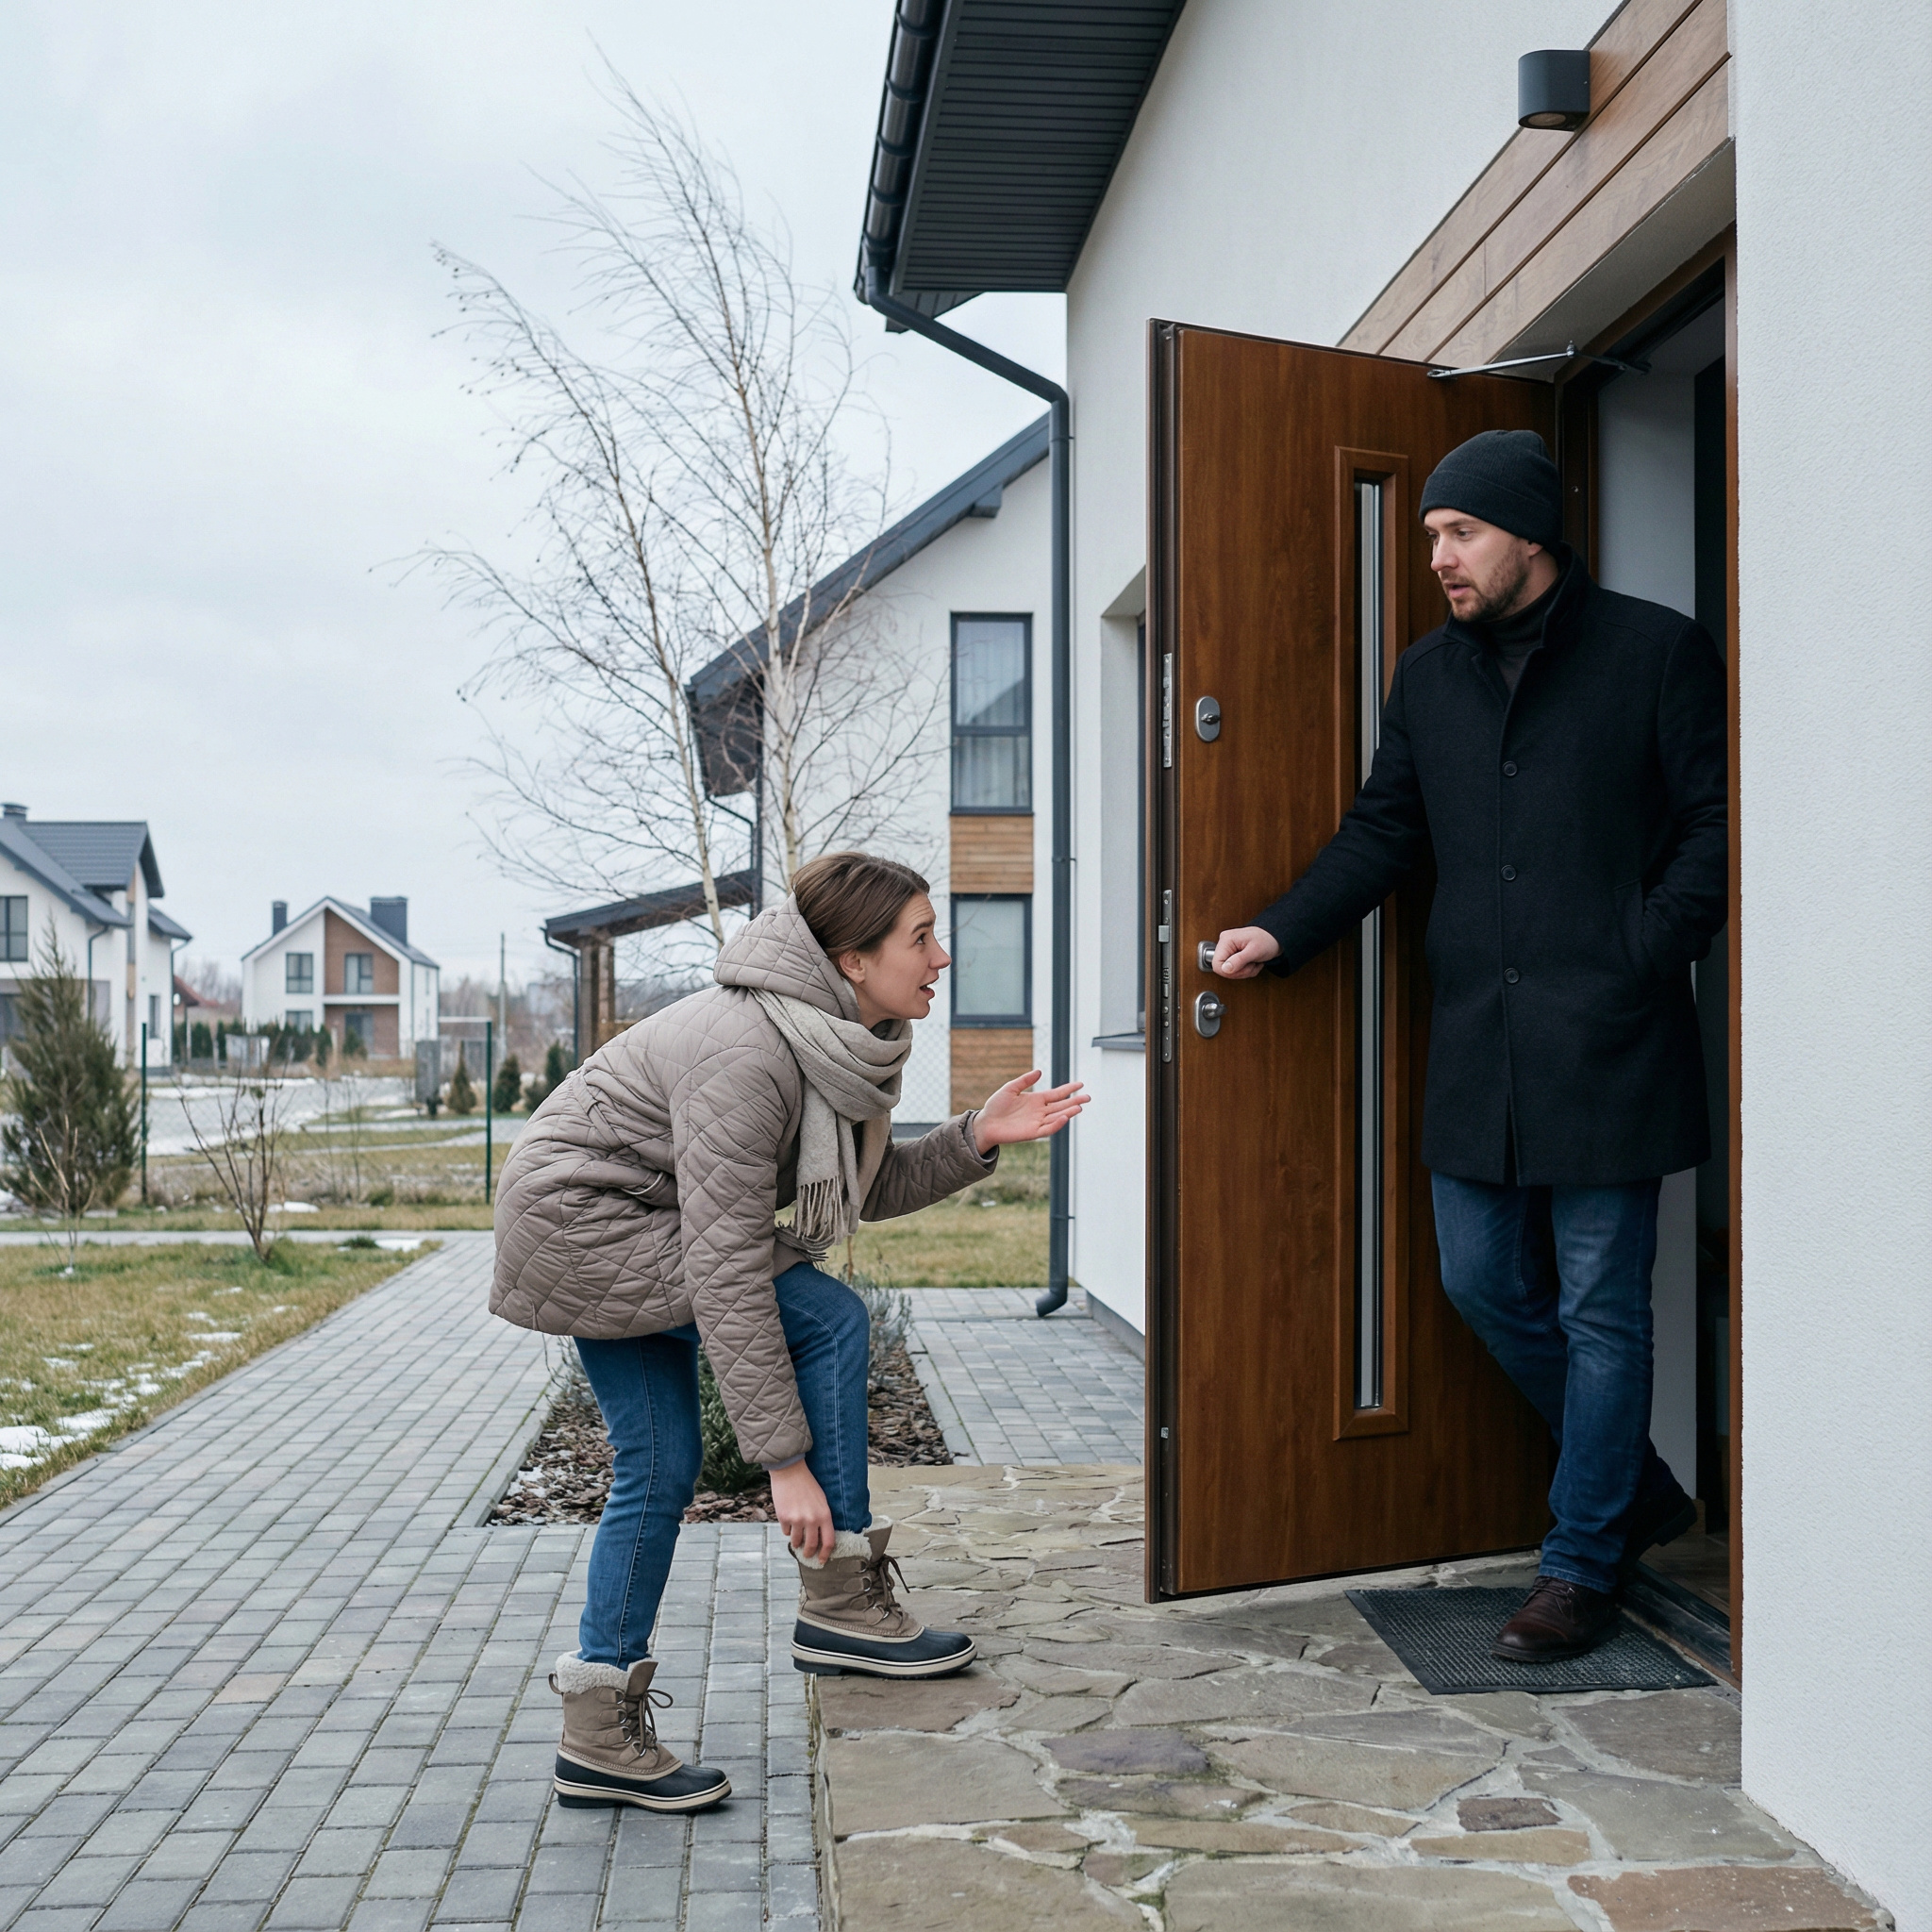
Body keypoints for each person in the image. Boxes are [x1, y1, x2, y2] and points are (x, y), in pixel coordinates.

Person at [1212, 430, 1724, 1662]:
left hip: (1612, 1039)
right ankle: (1639, 1492)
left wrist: (1639, 952)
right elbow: (1384, 833)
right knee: (1481, 1282)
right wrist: (1283, 931)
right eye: (1431, 532)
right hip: (1480, 1045)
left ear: (1531, 533)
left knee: (1606, 1308)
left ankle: (1582, 1563)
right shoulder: (1427, 677)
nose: (1436, 554)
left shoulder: (1655, 651)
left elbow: (1716, 826)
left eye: (1460, 532)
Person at [491, 853, 1087, 1811]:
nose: (942, 955)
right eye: (920, 937)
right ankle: (841, 1597)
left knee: (661, 1458)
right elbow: (727, 1267)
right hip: (584, 1222)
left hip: (632, 1218)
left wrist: (975, 1134)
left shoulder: (837, 1036)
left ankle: (595, 1728)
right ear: (852, 959)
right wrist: (783, 1463)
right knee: (826, 1318)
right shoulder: (748, 1051)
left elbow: (859, 1186)